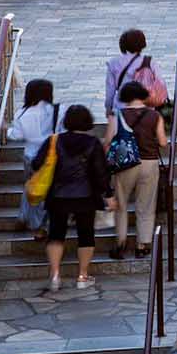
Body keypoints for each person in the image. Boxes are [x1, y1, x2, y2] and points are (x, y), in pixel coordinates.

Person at [40, 104, 115, 291]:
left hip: (58, 195)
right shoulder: (93, 143)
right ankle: (82, 275)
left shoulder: (53, 141)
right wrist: (109, 194)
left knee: (56, 234)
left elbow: (36, 162)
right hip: (86, 195)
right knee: (86, 235)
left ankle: (55, 275)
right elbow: (101, 172)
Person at [107, 80, 166, 260]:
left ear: (124, 96)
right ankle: (143, 245)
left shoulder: (118, 115)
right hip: (149, 163)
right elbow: (163, 142)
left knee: (121, 204)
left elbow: (108, 140)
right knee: (146, 205)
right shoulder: (154, 116)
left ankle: (121, 243)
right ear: (142, 94)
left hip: (125, 164)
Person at [6, 78, 61, 241]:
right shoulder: (56, 111)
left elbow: (15, 135)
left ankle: (26, 216)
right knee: (46, 191)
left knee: (32, 187)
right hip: (51, 157)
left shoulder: (23, 113)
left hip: (31, 156)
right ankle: (41, 226)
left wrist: (6, 129)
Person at [105, 28, 160, 118]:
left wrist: (108, 108)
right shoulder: (150, 62)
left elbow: (110, 90)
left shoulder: (114, 62)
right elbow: (160, 84)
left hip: (121, 108)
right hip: (146, 109)